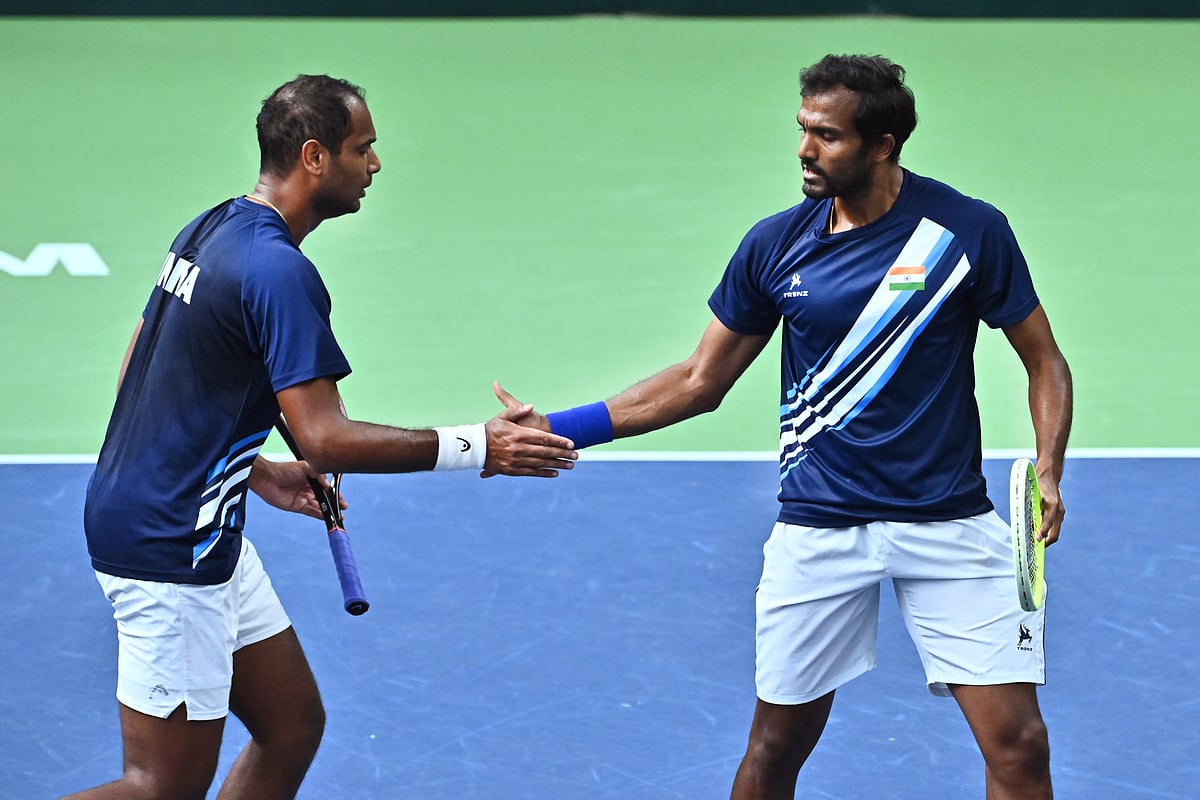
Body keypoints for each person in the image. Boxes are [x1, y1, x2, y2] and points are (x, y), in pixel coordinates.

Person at [496, 54, 1072, 799]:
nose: (804, 149)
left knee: (1020, 746)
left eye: (827, 136)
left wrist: (1049, 465)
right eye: (802, 130)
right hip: (820, 529)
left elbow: (1045, 362)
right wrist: (560, 427)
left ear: (884, 145)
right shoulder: (776, 245)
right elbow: (699, 381)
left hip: (949, 523)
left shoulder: (966, 231)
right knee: (774, 749)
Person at [68, 74, 577, 800]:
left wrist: (256, 470)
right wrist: (480, 447)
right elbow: (328, 440)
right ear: (314, 157)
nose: (374, 165)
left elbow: (139, 369)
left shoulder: (213, 226)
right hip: (168, 543)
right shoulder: (279, 271)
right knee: (160, 788)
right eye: (362, 148)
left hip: (190, 525)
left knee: (292, 726)